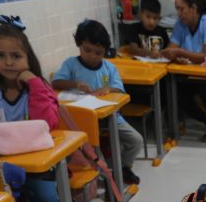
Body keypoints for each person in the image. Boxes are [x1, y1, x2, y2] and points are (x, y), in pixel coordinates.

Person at [52, 19, 143, 186]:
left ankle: (123, 168)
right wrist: (75, 84)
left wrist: (107, 89)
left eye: (98, 52)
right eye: (87, 50)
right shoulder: (71, 64)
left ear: (105, 52)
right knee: (94, 152)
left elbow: (120, 90)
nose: (93, 56)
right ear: (79, 45)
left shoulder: (109, 68)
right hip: (82, 123)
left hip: (111, 118)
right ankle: (108, 178)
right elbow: (56, 82)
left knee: (136, 141)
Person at [161, 0, 206, 142]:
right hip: (194, 73)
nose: (179, 13)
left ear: (193, 8)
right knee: (178, 93)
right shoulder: (181, 24)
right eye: (177, 9)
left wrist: (180, 52)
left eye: (181, 8)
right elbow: (172, 48)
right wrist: (170, 53)